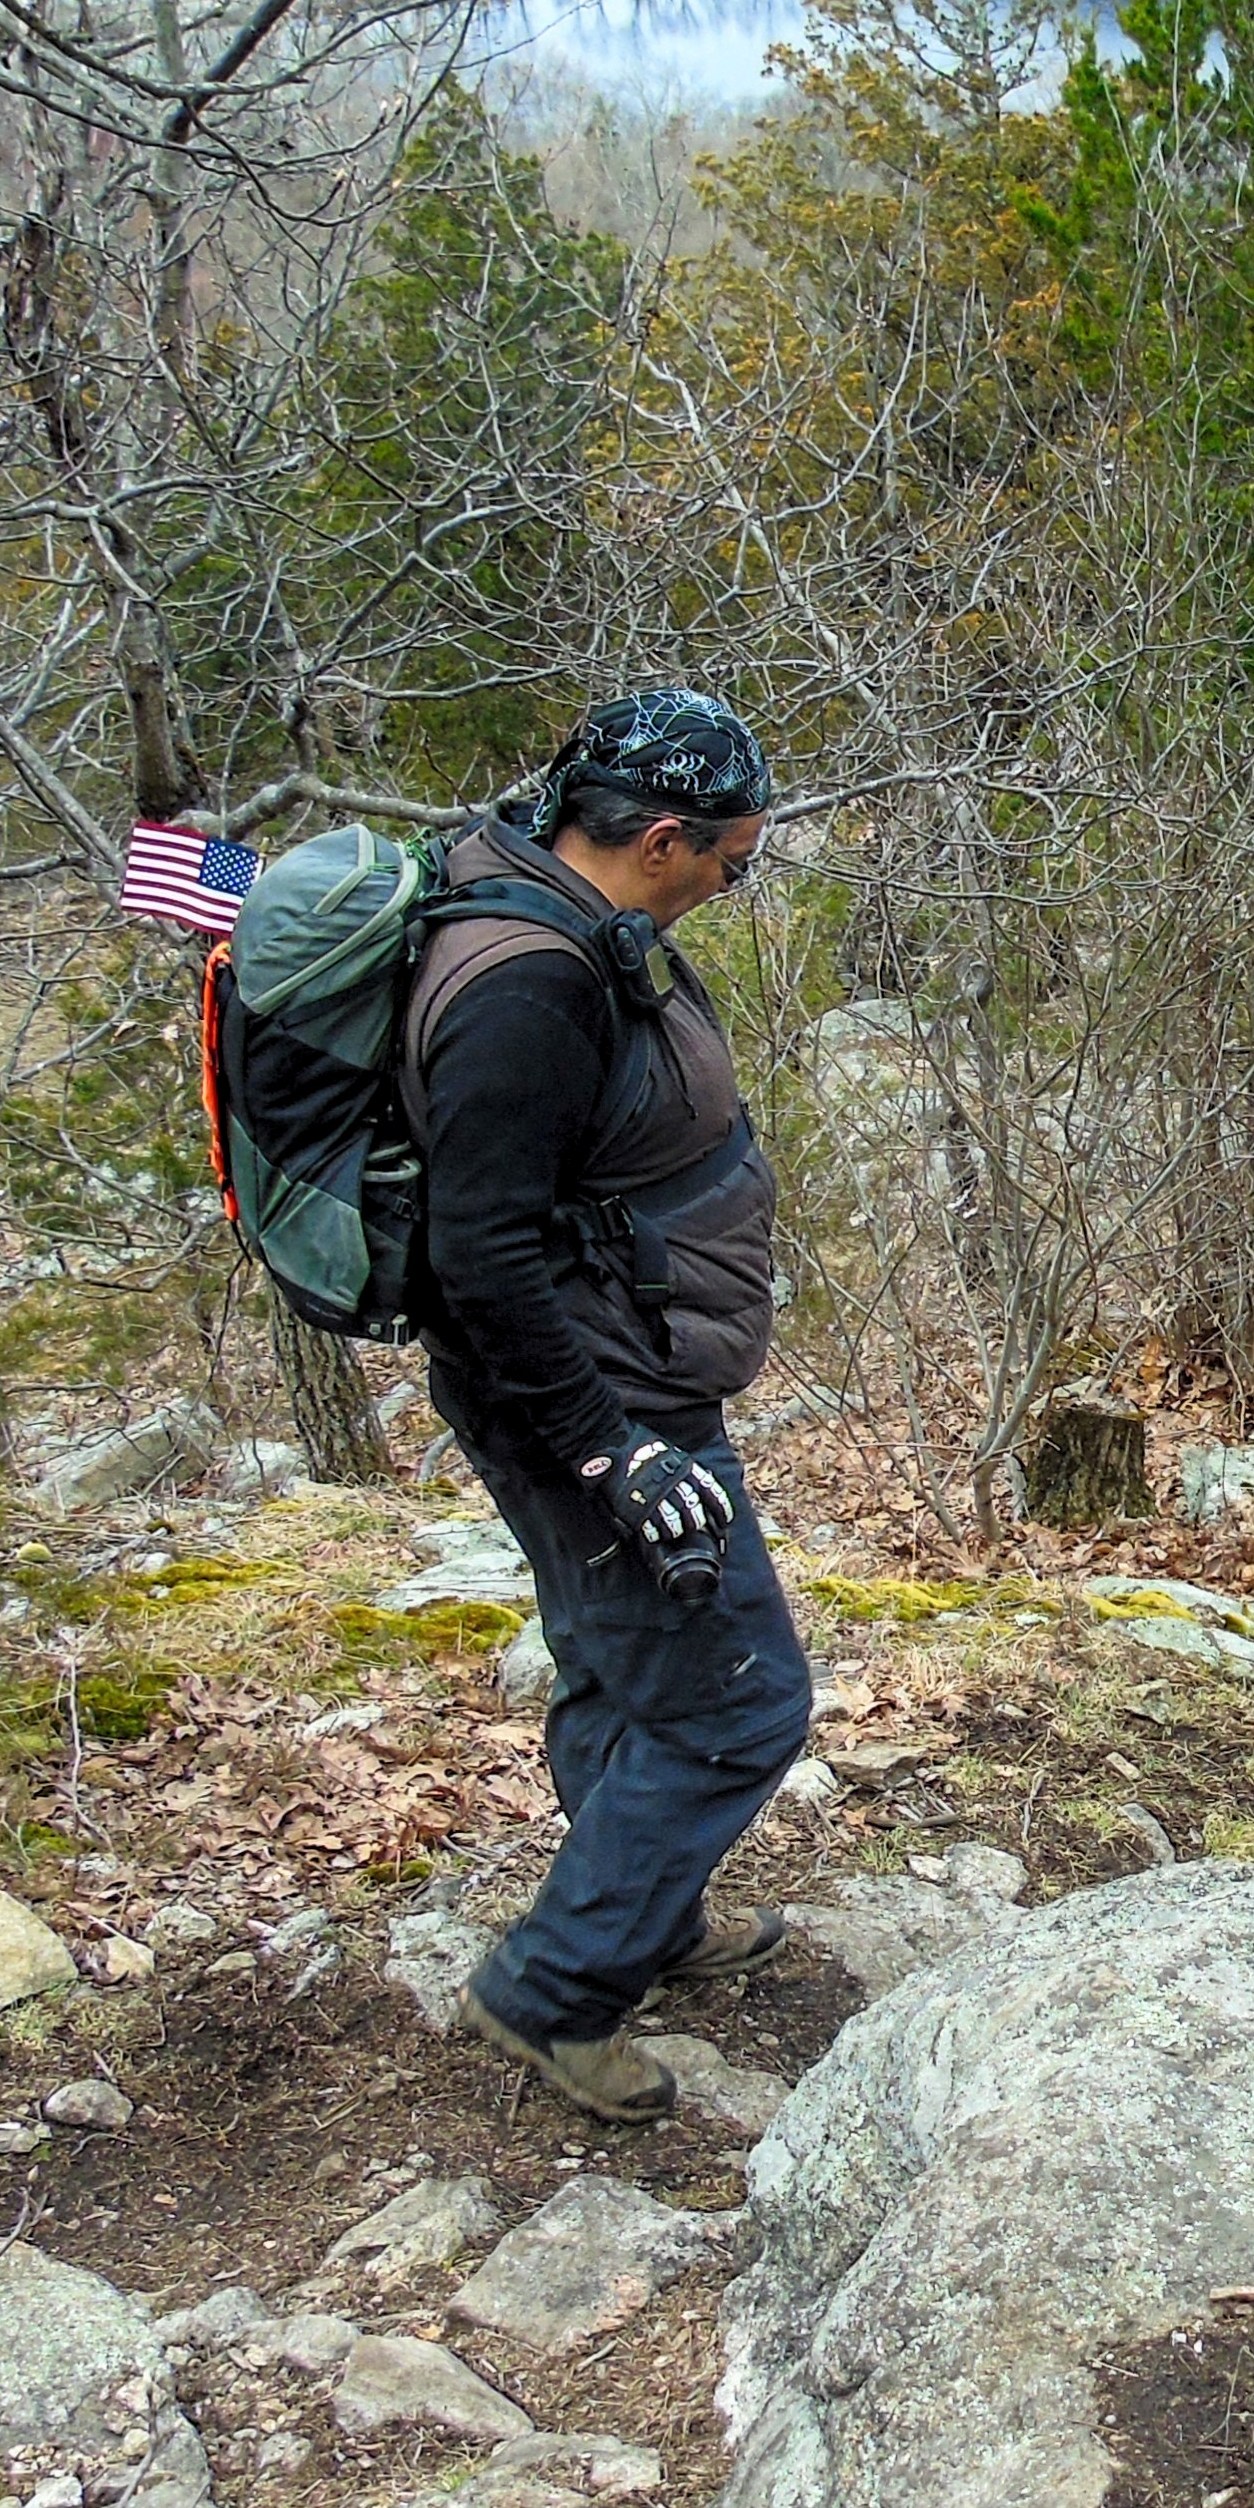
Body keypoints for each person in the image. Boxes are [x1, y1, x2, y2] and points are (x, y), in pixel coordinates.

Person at [405, 690, 806, 2123]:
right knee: (738, 1706)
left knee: (618, 1659)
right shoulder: (530, 987)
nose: (728, 886)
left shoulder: (535, 893)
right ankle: (556, 1991)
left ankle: (649, 1902)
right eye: (731, 862)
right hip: (595, 1395)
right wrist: (612, 1449)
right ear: (655, 839)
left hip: (606, 1368)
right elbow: (479, 1251)